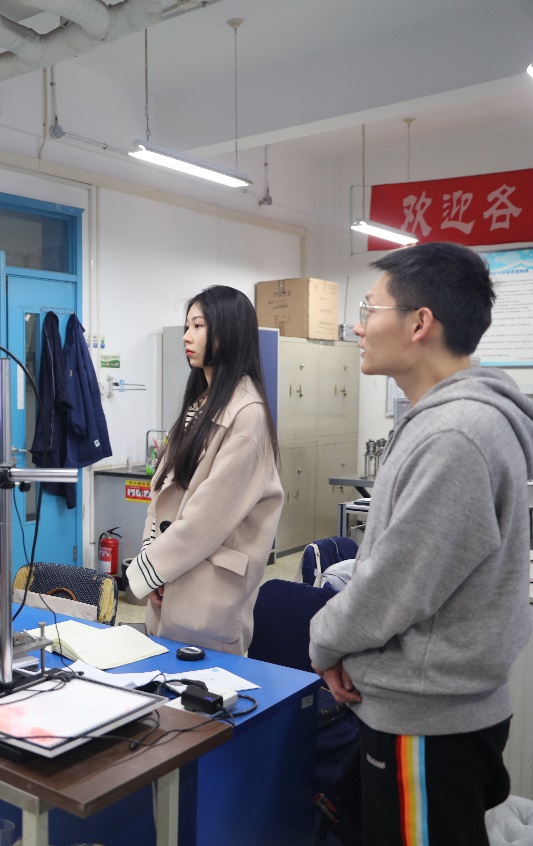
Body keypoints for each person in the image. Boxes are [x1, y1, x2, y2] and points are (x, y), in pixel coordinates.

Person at [309, 242, 533, 844]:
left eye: (369, 309)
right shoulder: (443, 420)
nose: (357, 327)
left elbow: (393, 586)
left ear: (419, 323)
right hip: (427, 706)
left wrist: (324, 641)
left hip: (428, 721)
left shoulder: (455, 434)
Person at [123, 285, 282, 654]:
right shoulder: (201, 403)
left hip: (207, 587)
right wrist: (153, 564)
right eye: (187, 326)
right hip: (173, 575)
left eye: (198, 326)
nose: (186, 336)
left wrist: (152, 571)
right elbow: (161, 495)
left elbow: (208, 516)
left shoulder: (247, 413)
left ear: (228, 333)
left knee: (204, 682)